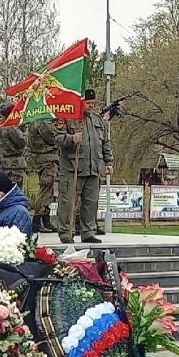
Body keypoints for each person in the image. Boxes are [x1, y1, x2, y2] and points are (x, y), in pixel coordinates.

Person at [56, 89, 112, 244]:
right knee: (68, 203)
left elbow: (105, 143)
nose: (91, 106)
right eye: (88, 103)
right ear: (80, 102)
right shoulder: (68, 118)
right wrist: (71, 138)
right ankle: (67, 233)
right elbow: (57, 138)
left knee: (90, 203)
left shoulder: (98, 120)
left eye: (93, 103)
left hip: (93, 168)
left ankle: (88, 232)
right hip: (73, 168)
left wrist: (108, 162)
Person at [26, 116, 60, 233]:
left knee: (48, 191)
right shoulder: (42, 122)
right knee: (45, 190)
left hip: (44, 158)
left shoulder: (37, 120)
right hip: (46, 158)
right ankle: (37, 220)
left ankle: (45, 219)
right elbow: (53, 137)